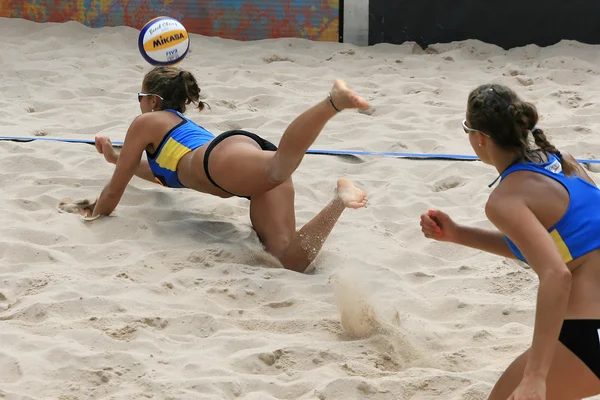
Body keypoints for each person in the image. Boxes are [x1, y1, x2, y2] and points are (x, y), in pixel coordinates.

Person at [80, 66, 370, 273]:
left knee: (278, 168)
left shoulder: (146, 123)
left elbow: (113, 191)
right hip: (239, 171)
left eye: (139, 97)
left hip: (219, 160)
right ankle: (339, 200)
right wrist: (115, 157)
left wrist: (92, 214)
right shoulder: (172, 138)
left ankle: (333, 102)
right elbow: (158, 175)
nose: (139, 104)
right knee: (289, 260)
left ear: (153, 100)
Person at [420, 83, 600, 399]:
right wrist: (460, 234)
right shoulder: (564, 160)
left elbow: (557, 274)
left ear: (480, 138)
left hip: (590, 332)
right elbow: (560, 246)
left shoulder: (505, 200)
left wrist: (535, 377)